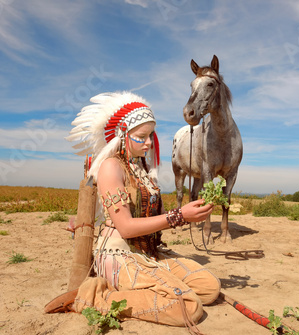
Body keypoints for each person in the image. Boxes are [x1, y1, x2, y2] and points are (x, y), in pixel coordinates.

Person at [48, 91, 220, 332]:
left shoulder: (142, 170)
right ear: (122, 134)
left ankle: (146, 285)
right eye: (142, 137)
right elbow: (126, 227)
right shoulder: (111, 167)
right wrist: (179, 216)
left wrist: (189, 211)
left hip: (147, 252)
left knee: (209, 286)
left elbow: (152, 217)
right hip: (120, 255)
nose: (149, 143)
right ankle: (95, 297)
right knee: (189, 306)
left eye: (151, 136)